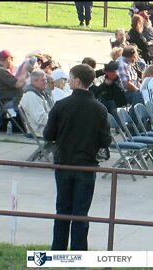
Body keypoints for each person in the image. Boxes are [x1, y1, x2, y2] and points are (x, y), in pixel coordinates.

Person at [44, 64, 111, 251]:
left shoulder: (61, 105)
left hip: (64, 163)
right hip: (87, 166)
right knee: (81, 214)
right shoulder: (99, 109)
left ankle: (57, 252)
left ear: (77, 80)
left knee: (62, 210)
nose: (68, 80)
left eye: (70, 77)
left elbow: (48, 134)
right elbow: (105, 139)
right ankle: (79, 254)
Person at [19, 69, 51, 137]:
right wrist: (58, 123)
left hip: (46, 130)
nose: (45, 82)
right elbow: (41, 118)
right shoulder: (30, 96)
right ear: (34, 81)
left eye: (45, 80)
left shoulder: (41, 94)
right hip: (40, 132)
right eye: (43, 80)